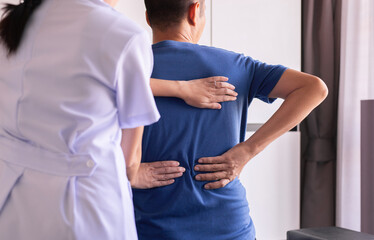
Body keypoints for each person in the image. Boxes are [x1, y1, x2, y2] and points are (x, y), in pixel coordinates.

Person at [131, 0, 329, 239]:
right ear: (195, 12)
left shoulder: (127, 73)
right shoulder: (236, 66)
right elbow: (314, 88)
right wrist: (247, 150)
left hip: (150, 229)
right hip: (229, 229)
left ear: (148, 18)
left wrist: (127, 171)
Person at [0, 0, 162, 239]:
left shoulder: (11, 24)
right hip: (83, 209)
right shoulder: (124, 35)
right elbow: (130, 162)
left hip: (12, 200)